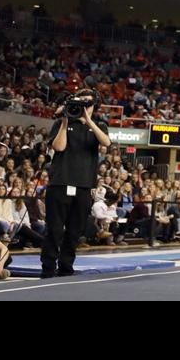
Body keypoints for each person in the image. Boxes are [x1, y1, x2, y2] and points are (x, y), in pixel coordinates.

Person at [42, 90, 110, 278]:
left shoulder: (99, 126)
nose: (83, 107)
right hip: (60, 183)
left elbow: (106, 142)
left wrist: (88, 121)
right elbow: (59, 147)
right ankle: (48, 268)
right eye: (81, 103)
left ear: (94, 106)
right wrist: (65, 120)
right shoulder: (61, 123)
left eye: (88, 104)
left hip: (84, 185)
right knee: (54, 230)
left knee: (74, 232)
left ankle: (66, 267)